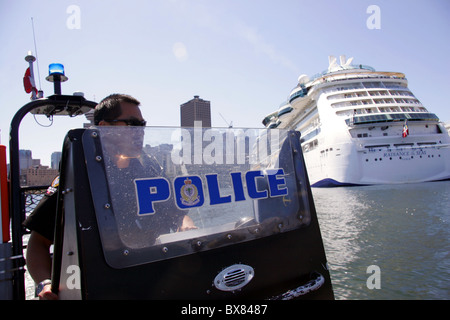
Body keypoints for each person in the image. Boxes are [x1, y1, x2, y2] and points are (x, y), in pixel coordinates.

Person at [23, 94, 195, 299]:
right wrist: (45, 283)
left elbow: (177, 213)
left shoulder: (150, 170)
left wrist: (187, 224)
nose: (139, 131)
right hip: (103, 286)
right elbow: (38, 242)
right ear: (104, 128)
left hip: (155, 276)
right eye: (131, 124)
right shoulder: (79, 175)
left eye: (142, 124)